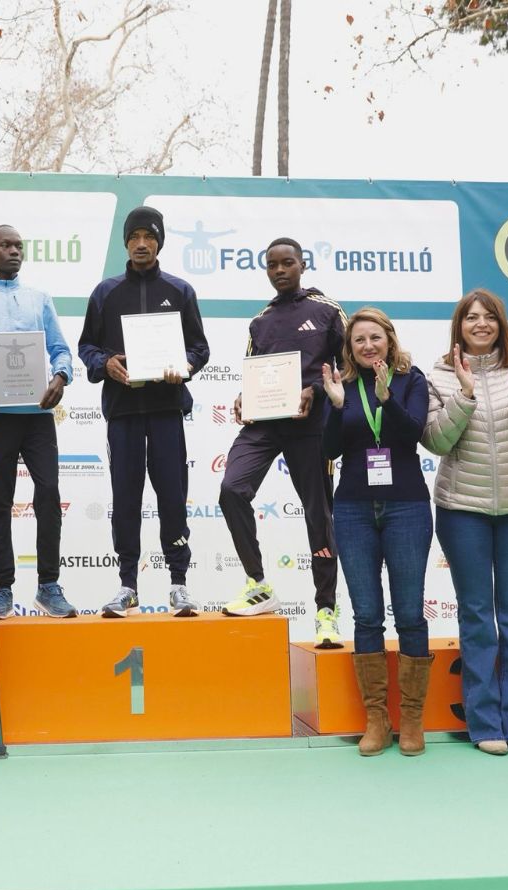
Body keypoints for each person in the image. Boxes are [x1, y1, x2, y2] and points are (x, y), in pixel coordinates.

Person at [422, 289, 508, 757]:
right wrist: (463, 392)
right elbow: (437, 442)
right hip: (463, 510)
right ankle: (484, 723)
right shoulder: (438, 375)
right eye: (470, 317)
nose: (480, 324)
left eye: (489, 317)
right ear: (458, 325)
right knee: (477, 616)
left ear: (501, 324)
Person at [78, 205, 210, 617]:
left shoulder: (180, 290)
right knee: (127, 498)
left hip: (166, 409)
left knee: (172, 496)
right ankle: (127, 584)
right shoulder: (105, 292)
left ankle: (178, 583)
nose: (140, 244)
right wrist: (105, 365)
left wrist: (185, 366)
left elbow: (200, 348)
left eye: (148, 237)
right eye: (134, 237)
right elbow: (87, 347)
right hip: (124, 412)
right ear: (125, 242)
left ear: (159, 242)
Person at [220, 237, 347, 649]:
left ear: (302, 264)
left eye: (287, 263)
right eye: (272, 264)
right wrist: (244, 397)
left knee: (318, 512)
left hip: (311, 424)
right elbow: (255, 370)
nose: (279, 270)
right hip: (266, 423)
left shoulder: (326, 310)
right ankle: (257, 584)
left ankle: (326, 611)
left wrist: (315, 388)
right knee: (231, 490)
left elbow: (347, 364)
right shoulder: (261, 320)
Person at [320, 307, 433, 755]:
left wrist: (388, 398)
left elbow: (413, 435)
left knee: (409, 613)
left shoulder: (413, 379)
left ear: (389, 338)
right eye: (359, 340)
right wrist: (333, 408)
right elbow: (329, 451)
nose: (368, 346)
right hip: (353, 510)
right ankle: (376, 718)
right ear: (350, 347)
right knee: (366, 614)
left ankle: (411, 719)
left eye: (375, 338)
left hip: (406, 505)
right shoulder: (342, 385)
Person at [0, 224, 75, 620]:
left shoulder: (39, 298)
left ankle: (48, 586)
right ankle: (3, 588)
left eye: (19, 245)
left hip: (38, 415)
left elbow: (60, 350)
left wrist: (61, 378)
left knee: (49, 497)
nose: (14, 251)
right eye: (5, 245)